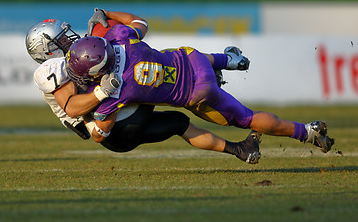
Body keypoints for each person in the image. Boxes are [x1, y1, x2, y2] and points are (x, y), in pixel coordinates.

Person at [65, 11, 335, 156]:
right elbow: (140, 22)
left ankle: (305, 131)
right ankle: (228, 60)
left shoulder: (114, 91)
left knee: (247, 119)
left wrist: (90, 115)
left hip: (197, 93)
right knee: (174, 53)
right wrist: (106, 13)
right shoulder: (119, 36)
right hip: (194, 60)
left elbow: (101, 134)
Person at [25, 9, 261, 164]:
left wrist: (99, 30)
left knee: (178, 122)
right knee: (149, 75)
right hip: (109, 126)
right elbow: (73, 108)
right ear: (48, 50)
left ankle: (240, 150)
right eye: (62, 38)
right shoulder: (52, 68)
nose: (69, 38)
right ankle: (203, 75)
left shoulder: (79, 55)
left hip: (120, 128)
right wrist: (102, 91)